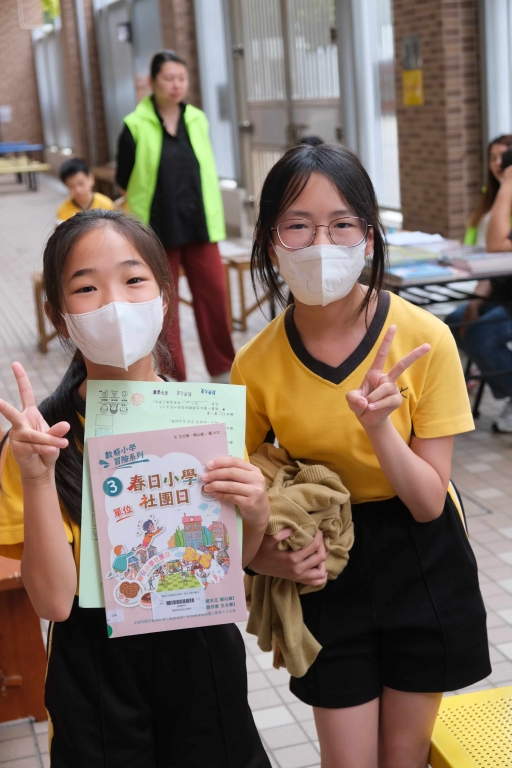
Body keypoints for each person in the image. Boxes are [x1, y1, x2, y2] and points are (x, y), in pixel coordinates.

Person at [229, 144, 490, 768]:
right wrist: (267, 558)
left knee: (404, 757)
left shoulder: (427, 339)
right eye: (298, 225)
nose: (322, 243)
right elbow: (235, 498)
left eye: (342, 223)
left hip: (420, 555)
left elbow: (428, 504)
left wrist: (380, 431)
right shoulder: (254, 363)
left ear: (369, 237)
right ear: (269, 242)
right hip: (326, 563)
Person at [0, 209, 271, 767]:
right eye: (86, 288)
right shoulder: (36, 443)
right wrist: (37, 477)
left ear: (165, 296)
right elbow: (53, 602)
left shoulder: (204, 420)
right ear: (57, 316)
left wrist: (258, 512)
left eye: (133, 279)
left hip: (202, 657)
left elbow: (229, 569)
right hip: (95, 676)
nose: (115, 304)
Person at [116, 50, 235, 383]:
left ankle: (223, 371)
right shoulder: (134, 125)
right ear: (152, 82)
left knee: (214, 297)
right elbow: (124, 180)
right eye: (168, 78)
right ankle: (172, 379)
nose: (176, 85)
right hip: (157, 231)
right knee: (164, 310)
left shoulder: (197, 118)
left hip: (200, 225)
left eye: (181, 78)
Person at [445, 134, 512, 433]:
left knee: (483, 334)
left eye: (504, 160)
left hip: (506, 301)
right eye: (493, 158)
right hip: (501, 294)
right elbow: (490, 261)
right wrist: (474, 301)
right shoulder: (493, 200)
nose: (498, 166)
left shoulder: (505, 195)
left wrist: (507, 186)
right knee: (455, 322)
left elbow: (496, 246)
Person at [56, 158, 115, 223]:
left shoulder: (106, 204)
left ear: (91, 179)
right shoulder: (63, 211)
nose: (78, 190)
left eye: (81, 183)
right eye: (71, 186)